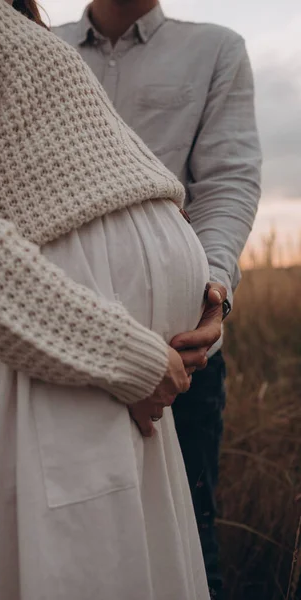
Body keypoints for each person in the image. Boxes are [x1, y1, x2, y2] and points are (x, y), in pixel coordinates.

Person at [0, 1, 228, 599]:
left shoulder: (12, 18)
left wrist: (206, 295)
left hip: (116, 381)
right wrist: (123, 354)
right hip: (62, 371)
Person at [54, 2, 262, 598]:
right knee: (65, 540)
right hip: (53, 351)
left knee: (185, 544)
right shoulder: (37, 44)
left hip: (179, 358)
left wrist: (213, 293)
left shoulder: (216, 49)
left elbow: (228, 179)